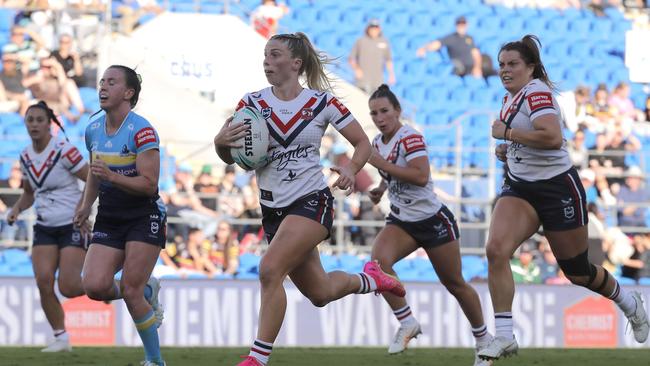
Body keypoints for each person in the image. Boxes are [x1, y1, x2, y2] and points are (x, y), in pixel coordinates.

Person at [214, 32, 405, 366]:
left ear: (295, 63)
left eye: (275, 55)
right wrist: (220, 141)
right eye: (265, 55)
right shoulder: (251, 103)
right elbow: (229, 156)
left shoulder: (323, 103)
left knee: (270, 269)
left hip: (312, 202)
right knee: (320, 293)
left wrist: (351, 170)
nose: (267, 61)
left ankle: (257, 359)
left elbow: (363, 144)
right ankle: (371, 278)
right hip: (273, 209)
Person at [478, 35, 649, 361]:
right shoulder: (509, 98)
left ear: (530, 67)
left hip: (557, 189)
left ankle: (629, 303)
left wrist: (509, 134)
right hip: (521, 188)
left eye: (513, 64)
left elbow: (553, 138)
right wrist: (509, 151)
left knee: (578, 272)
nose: (505, 70)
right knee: (496, 249)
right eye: (501, 64)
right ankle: (503, 335)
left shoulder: (537, 92)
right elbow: (529, 140)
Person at [365, 84, 492, 365]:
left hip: (432, 219)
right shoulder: (377, 143)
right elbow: (391, 173)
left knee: (455, 283)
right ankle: (407, 322)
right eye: (374, 113)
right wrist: (381, 188)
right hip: (402, 219)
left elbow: (421, 176)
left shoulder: (410, 137)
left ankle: (484, 342)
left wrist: (381, 166)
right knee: (377, 264)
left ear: (397, 111)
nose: (379, 117)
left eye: (384, 111)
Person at [73, 65, 166, 366]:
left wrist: (113, 177)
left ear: (128, 93)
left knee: (130, 289)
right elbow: (96, 175)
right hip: (110, 216)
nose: (102, 87)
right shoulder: (93, 129)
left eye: (111, 82)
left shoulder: (142, 130)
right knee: (95, 286)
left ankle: (154, 361)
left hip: (143, 215)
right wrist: (86, 205)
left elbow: (149, 184)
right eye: (101, 81)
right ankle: (148, 287)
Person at [5, 102, 88, 353]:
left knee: (69, 286)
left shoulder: (65, 150)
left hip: (71, 224)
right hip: (45, 225)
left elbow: (92, 179)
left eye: (39, 120)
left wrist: (84, 209)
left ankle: (104, 285)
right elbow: (29, 193)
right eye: (30, 120)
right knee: (43, 281)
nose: (34, 124)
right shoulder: (25, 156)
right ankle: (60, 337)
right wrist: (17, 209)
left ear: (49, 123)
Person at [416, 16, 483, 78]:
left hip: (471, 67)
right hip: (460, 69)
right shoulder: (451, 38)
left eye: (463, 24)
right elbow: (437, 44)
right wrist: (424, 48)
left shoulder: (469, 38)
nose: (461, 26)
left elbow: (476, 54)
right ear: (456, 25)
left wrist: (477, 67)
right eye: (459, 24)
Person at [348, 19, 396, 93]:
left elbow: (388, 59)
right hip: (362, 81)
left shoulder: (384, 42)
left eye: (376, 28)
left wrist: (391, 74)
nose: (374, 30)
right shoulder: (361, 41)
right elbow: (351, 58)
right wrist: (356, 69)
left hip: (377, 82)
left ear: (379, 29)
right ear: (368, 29)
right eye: (372, 28)